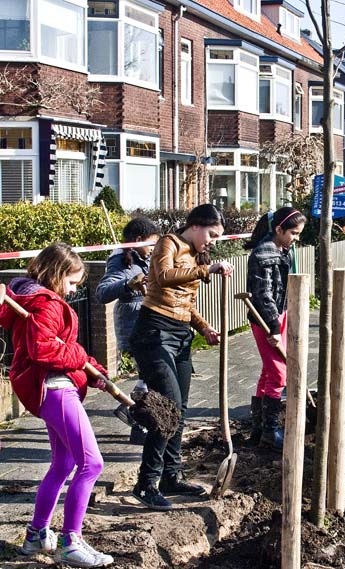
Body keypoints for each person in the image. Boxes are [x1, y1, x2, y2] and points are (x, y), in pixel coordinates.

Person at [0, 243, 113, 567]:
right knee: (92, 464)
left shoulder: (34, 300)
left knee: (63, 465)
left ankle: (36, 535)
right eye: (73, 282)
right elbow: (46, 351)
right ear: (57, 274)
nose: (74, 289)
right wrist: (81, 358)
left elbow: (64, 346)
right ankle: (70, 542)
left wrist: (96, 373)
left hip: (51, 387)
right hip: (55, 387)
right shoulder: (47, 304)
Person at [129, 204, 233, 511]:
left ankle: (170, 476)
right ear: (197, 225)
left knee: (181, 410)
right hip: (153, 333)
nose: (213, 241)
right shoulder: (169, 243)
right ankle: (146, 484)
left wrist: (204, 328)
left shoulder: (198, 254)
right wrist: (206, 270)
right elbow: (161, 277)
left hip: (181, 334)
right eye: (212, 234)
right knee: (167, 408)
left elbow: (185, 302)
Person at [243, 207, 306, 450]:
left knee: (269, 372)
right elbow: (263, 295)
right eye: (293, 233)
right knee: (280, 373)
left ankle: (258, 428)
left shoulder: (283, 250)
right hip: (265, 320)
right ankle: (270, 430)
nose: (296, 238)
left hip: (279, 316)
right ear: (278, 229)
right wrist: (274, 328)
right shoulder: (263, 254)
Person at [96, 217, 160, 444]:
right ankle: (138, 420)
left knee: (149, 376)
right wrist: (127, 284)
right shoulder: (120, 261)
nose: (153, 249)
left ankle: (133, 413)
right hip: (133, 325)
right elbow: (102, 292)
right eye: (151, 244)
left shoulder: (143, 257)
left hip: (147, 323)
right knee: (151, 376)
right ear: (138, 240)